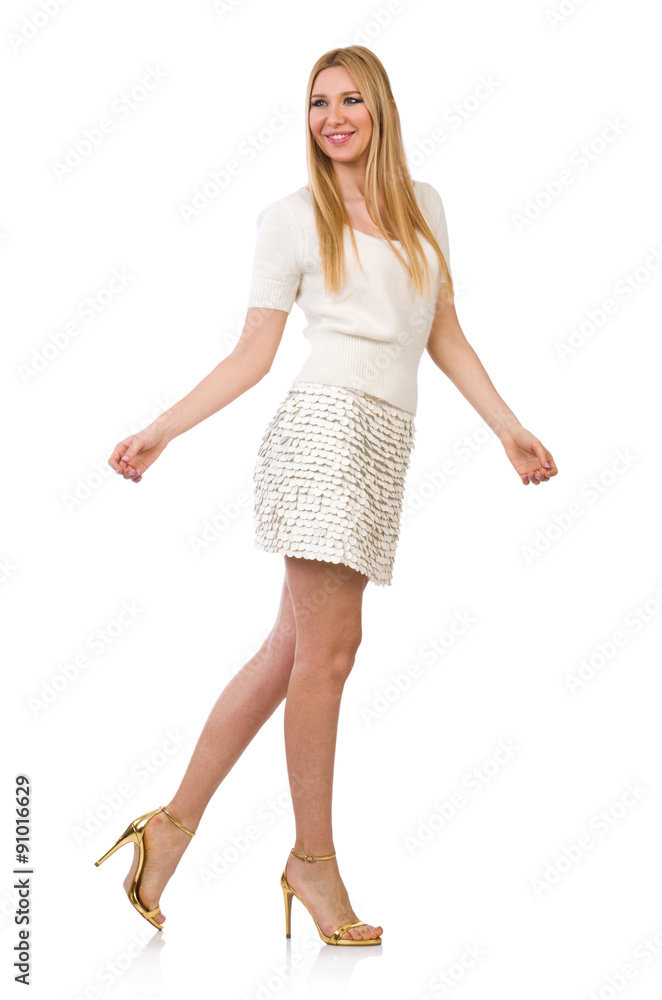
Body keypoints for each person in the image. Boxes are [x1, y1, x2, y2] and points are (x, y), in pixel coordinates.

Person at [94, 45, 558, 947]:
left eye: (350, 100)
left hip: (386, 444)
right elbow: (252, 354)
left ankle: (169, 829)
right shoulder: (291, 218)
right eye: (318, 103)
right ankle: (312, 861)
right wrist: (161, 430)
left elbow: (445, 332)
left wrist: (508, 428)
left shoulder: (425, 207)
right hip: (324, 437)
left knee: (289, 653)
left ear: (380, 109)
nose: (333, 117)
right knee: (332, 655)